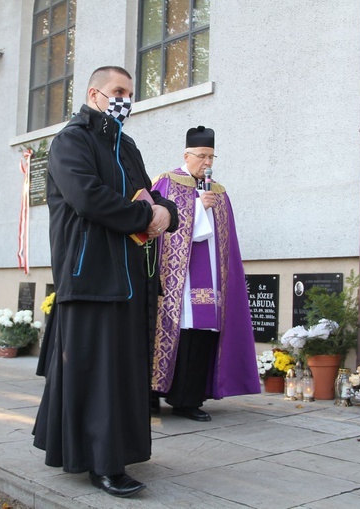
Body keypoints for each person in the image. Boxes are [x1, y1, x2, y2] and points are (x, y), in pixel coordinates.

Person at [33, 66, 178, 498]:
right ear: (95, 93)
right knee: (99, 373)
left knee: (122, 370)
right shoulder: (71, 140)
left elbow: (148, 192)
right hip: (89, 274)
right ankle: (102, 462)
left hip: (130, 276)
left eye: (130, 94)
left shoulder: (125, 144)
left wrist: (165, 211)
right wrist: (146, 217)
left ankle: (111, 449)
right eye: (118, 91)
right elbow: (87, 197)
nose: (125, 100)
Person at [150, 126, 261, 422]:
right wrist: (197, 208)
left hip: (209, 279)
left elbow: (225, 242)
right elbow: (157, 226)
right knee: (166, 334)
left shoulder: (219, 192)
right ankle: (150, 394)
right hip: (175, 281)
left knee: (200, 335)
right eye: (202, 156)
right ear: (186, 155)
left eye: (211, 157)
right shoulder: (166, 182)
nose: (207, 163)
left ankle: (188, 399)